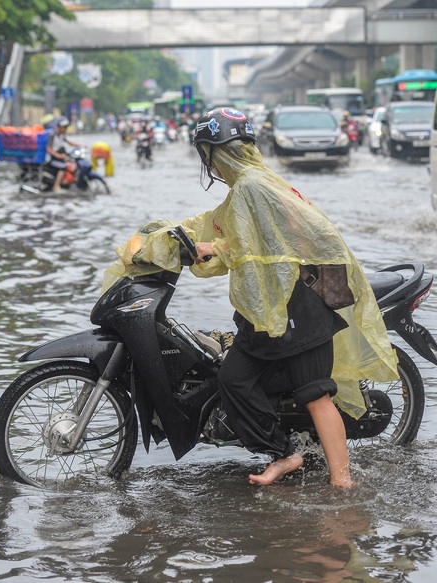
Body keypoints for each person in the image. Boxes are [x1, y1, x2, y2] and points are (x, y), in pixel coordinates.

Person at [101, 108, 398, 488]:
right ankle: (285, 454)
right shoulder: (250, 186)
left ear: (215, 153)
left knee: (316, 394)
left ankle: (343, 482)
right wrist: (167, 234)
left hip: (297, 308)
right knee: (234, 380)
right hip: (265, 313)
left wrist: (220, 249)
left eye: (208, 154)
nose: (210, 163)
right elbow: (219, 222)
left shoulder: (253, 187)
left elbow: (266, 245)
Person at [45, 116, 80, 193]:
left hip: (59, 157)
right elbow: (48, 149)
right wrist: (58, 155)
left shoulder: (61, 135)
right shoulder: (52, 135)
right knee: (63, 168)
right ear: (59, 127)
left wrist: (80, 145)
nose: (65, 129)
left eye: (65, 127)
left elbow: (69, 142)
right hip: (51, 159)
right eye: (64, 127)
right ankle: (56, 186)